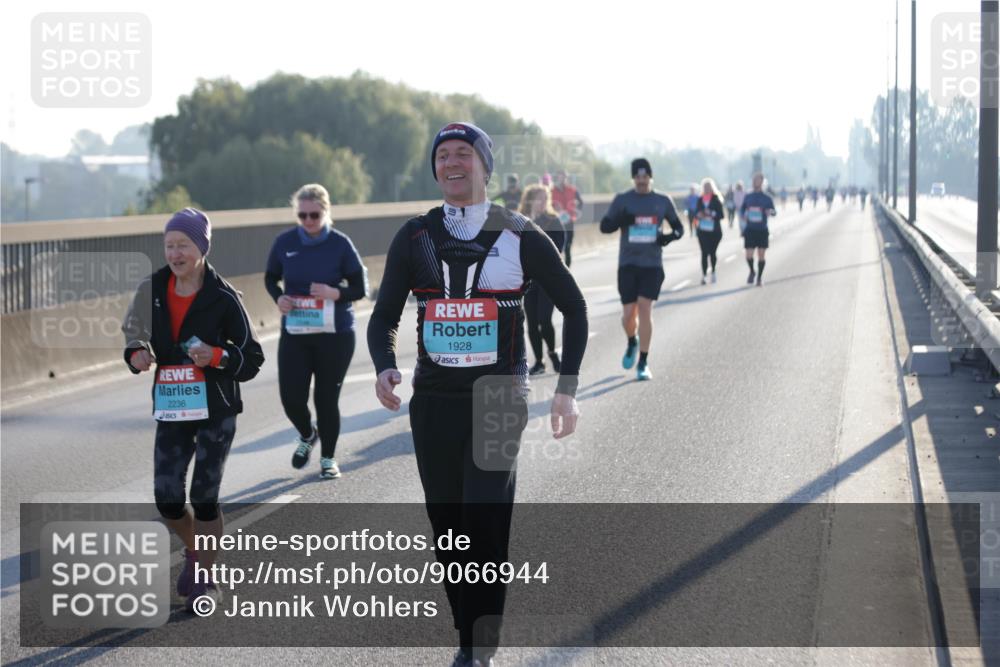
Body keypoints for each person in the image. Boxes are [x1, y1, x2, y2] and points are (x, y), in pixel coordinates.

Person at [367, 122, 588, 667]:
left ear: (485, 166)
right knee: (448, 530)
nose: (452, 163)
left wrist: (567, 389)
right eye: (442, 155)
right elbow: (385, 314)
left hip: (499, 397)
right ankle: (468, 631)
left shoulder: (521, 234)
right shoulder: (414, 236)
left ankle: (476, 648)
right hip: (434, 402)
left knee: (483, 521)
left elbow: (575, 307)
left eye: (463, 153)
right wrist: (384, 366)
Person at [121, 208, 264, 612]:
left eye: (183, 245)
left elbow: (252, 358)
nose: (175, 253)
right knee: (167, 498)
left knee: (203, 496)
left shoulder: (224, 297)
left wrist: (217, 356)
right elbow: (133, 330)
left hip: (216, 408)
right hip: (172, 407)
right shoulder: (151, 288)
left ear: (202, 248)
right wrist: (135, 352)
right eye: (169, 245)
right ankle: (196, 552)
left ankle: (205, 576)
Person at [265, 184, 368, 480]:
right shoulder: (285, 242)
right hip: (296, 333)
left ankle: (328, 459)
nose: (308, 221)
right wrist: (279, 298)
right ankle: (308, 434)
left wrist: (335, 293)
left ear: (326, 212)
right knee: (291, 398)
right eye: (302, 215)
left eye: (314, 215)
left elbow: (360, 288)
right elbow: (271, 277)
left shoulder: (340, 244)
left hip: (335, 335)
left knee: (326, 399)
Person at [599, 158, 684, 381]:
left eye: (645, 176)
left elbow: (679, 228)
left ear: (650, 177)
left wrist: (667, 238)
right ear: (633, 178)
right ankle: (632, 341)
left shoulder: (662, 201)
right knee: (628, 315)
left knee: (645, 308)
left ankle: (643, 362)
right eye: (637, 176)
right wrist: (621, 220)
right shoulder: (623, 200)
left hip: (652, 265)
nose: (641, 180)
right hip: (627, 265)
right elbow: (604, 226)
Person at [519, 183, 566, 375]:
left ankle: (553, 353)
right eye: (540, 198)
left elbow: (559, 247)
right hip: (528, 280)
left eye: (546, 198)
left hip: (548, 279)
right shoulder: (520, 221)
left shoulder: (553, 220)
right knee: (531, 324)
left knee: (544, 320)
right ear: (530, 200)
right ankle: (539, 362)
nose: (544, 202)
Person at [740, 173, 777, 286]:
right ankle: (752, 271)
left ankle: (759, 278)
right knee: (748, 255)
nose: (756, 182)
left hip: (762, 230)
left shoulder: (767, 198)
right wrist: (743, 215)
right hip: (750, 229)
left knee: (761, 255)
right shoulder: (748, 196)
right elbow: (742, 209)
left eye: (758, 180)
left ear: (762, 182)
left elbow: (774, 212)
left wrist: (770, 212)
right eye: (754, 180)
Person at [694, 178, 725, 285]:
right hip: (702, 231)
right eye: (705, 187)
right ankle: (704, 275)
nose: (707, 189)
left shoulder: (716, 199)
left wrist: (711, 213)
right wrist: (699, 215)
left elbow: (721, 215)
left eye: (709, 187)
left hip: (714, 231)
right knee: (704, 253)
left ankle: (713, 272)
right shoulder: (700, 199)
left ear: (712, 188)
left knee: (712, 253)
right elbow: (696, 213)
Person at [550, 169, 582, 267]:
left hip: (569, 221)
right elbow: (547, 204)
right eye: (560, 176)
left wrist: (576, 212)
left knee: (568, 247)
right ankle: (557, 267)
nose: (562, 179)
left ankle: (567, 269)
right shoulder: (551, 190)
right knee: (555, 246)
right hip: (556, 222)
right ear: (557, 178)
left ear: (566, 178)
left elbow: (580, 202)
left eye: (564, 177)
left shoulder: (573, 190)